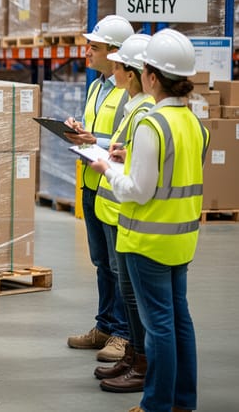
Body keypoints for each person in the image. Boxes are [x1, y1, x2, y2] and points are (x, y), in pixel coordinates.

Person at [89, 28, 206, 412]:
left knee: (158, 328)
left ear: (152, 76)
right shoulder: (194, 124)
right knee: (179, 322)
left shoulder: (151, 124)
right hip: (181, 238)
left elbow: (137, 191)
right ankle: (182, 402)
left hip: (147, 240)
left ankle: (156, 404)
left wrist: (107, 167)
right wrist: (130, 159)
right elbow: (174, 173)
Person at [64, 14, 133, 363]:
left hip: (115, 188)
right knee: (101, 263)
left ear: (116, 52)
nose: (87, 50)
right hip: (92, 184)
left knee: (117, 265)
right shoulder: (96, 86)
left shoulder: (128, 93)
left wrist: (95, 140)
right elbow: (97, 132)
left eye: (95, 46)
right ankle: (105, 325)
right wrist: (79, 130)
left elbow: (130, 142)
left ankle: (123, 334)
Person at [92, 33, 154, 393]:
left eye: (117, 66)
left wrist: (114, 161)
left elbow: (143, 169)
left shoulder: (145, 112)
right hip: (118, 210)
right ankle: (133, 355)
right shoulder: (134, 108)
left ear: (132, 74)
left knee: (133, 294)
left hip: (130, 212)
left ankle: (141, 361)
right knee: (126, 288)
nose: (112, 71)